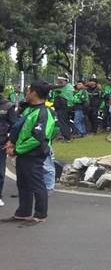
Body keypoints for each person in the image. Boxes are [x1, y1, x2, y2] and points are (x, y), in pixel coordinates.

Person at [2, 81, 56, 223]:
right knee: (23, 183)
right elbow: (19, 129)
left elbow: (38, 138)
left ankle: (40, 214)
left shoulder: (44, 112)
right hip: (23, 153)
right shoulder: (29, 110)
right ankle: (23, 212)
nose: (26, 93)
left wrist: (17, 150)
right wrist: (11, 143)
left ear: (35, 93)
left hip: (34, 154)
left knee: (36, 183)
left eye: (28, 91)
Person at [0, 84, 18, 207]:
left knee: (0, 171)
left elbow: (15, 125)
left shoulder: (7, 105)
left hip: (1, 142)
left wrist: (10, 141)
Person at [50, 75, 73, 142]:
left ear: (65, 80)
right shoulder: (69, 86)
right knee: (65, 122)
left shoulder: (64, 87)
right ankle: (65, 136)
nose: (58, 82)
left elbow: (54, 88)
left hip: (63, 107)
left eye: (60, 80)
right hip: (66, 106)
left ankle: (66, 137)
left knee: (63, 122)